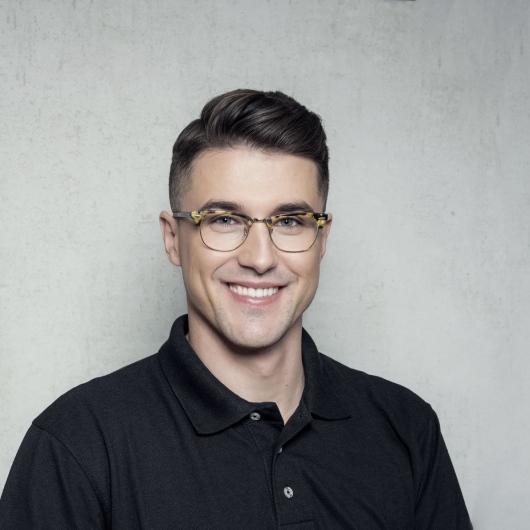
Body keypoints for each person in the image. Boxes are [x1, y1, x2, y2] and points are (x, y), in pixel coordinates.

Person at [0, 89, 472, 529]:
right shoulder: (78, 442)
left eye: (290, 221)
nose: (260, 258)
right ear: (173, 238)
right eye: (224, 219)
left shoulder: (406, 428)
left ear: (322, 239)